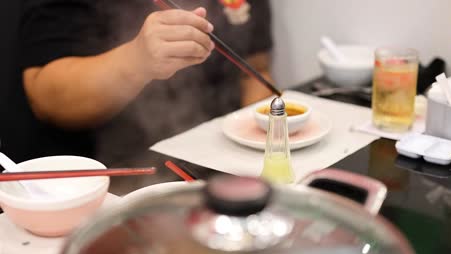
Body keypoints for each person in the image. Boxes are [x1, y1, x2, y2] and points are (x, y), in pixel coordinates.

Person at [7, 0, 273, 165]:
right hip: (109, 176)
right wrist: (137, 61)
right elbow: (46, 96)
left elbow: (255, 71)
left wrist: (264, 151)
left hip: (222, 164)